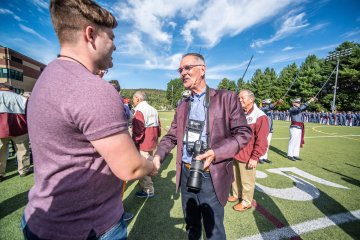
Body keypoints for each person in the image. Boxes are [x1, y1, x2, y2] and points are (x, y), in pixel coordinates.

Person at [23, 1, 157, 239]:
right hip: (87, 227)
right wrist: (152, 165)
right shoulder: (93, 89)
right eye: (112, 37)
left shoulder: (46, 78)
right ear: (91, 34)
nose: (115, 46)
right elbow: (131, 167)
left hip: (41, 218)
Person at [152, 53, 252, 239]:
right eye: (180, 69)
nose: (183, 73)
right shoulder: (182, 104)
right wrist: (158, 155)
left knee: (214, 231)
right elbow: (172, 135)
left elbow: (244, 133)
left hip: (211, 174)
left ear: (202, 69)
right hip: (186, 173)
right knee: (192, 227)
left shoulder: (226, 98)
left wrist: (216, 153)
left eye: (187, 68)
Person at [228, 90, 269, 212]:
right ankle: (236, 194)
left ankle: (246, 202)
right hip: (236, 153)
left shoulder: (260, 116)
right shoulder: (240, 113)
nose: (239, 100)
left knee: (247, 181)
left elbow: (262, 139)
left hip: (247, 155)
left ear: (251, 100)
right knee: (234, 177)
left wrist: (255, 157)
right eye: (238, 98)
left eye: (242, 98)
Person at [0, 83, 33, 182]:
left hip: (1, 129)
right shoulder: (22, 98)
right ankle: (24, 170)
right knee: (22, 150)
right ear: (12, 89)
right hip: (20, 128)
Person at [132, 91, 161, 198]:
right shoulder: (153, 109)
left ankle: (148, 190)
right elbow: (159, 126)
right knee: (149, 160)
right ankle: (150, 179)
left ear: (138, 99)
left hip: (143, 142)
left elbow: (138, 130)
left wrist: (135, 141)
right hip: (152, 140)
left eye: (133, 99)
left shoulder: (139, 110)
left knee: (143, 165)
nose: (133, 101)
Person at [259, 98, 283, 164]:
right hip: (263, 129)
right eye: (267, 104)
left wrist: (277, 103)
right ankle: (260, 157)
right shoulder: (261, 109)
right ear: (263, 104)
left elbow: (271, 107)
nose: (268, 105)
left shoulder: (269, 110)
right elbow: (269, 107)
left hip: (269, 129)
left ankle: (265, 157)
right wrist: (277, 102)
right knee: (262, 144)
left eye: (268, 104)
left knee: (267, 144)